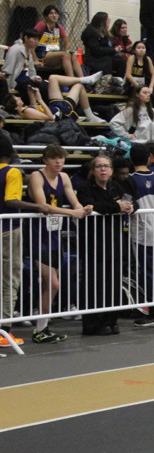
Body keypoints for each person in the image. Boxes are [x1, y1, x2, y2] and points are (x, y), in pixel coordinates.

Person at [27, 144, 93, 344]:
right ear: (45, 160)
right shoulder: (37, 176)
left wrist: (83, 208)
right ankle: (40, 327)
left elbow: (74, 201)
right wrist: (72, 213)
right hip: (38, 235)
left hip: (54, 236)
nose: (58, 162)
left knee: (51, 284)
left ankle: (42, 327)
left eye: (61, 158)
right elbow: (44, 206)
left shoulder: (64, 177)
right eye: (53, 158)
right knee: (53, 283)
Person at [0, 137, 53, 348]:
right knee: (9, 280)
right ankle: (4, 330)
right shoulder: (12, 172)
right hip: (7, 230)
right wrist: (38, 206)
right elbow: (10, 200)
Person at [76, 153, 131, 335]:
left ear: (112, 170)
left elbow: (130, 201)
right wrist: (116, 207)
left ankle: (111, 320)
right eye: (99, 166)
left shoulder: (116, 187)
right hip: (94, 243)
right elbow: (91, 206)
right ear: (93, 170)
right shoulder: (85, 187)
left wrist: (130, 207)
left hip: (114, 243)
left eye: (106, 166)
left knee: (113, 284)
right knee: (94, 284)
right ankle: (92, 324)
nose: (103, 169)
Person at [126, 143, 154, 328]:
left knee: (147, 271)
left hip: (141, 231)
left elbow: (127, 206)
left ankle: (153, 313)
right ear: (148, 158)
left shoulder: (130, 180)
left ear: (131, 159)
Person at [33, 5, 84, 78]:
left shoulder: (58, 26)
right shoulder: (42, 25)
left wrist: (67, 50)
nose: (54, 15)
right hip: (43, 54)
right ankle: (72, 79)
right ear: (46, 16)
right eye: (51, 13)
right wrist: (35, 59)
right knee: (65, 55)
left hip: (55, 53)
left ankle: (83, 79)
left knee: (72, 55)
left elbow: (67, 40)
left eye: (56, 13)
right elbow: (31, 38)